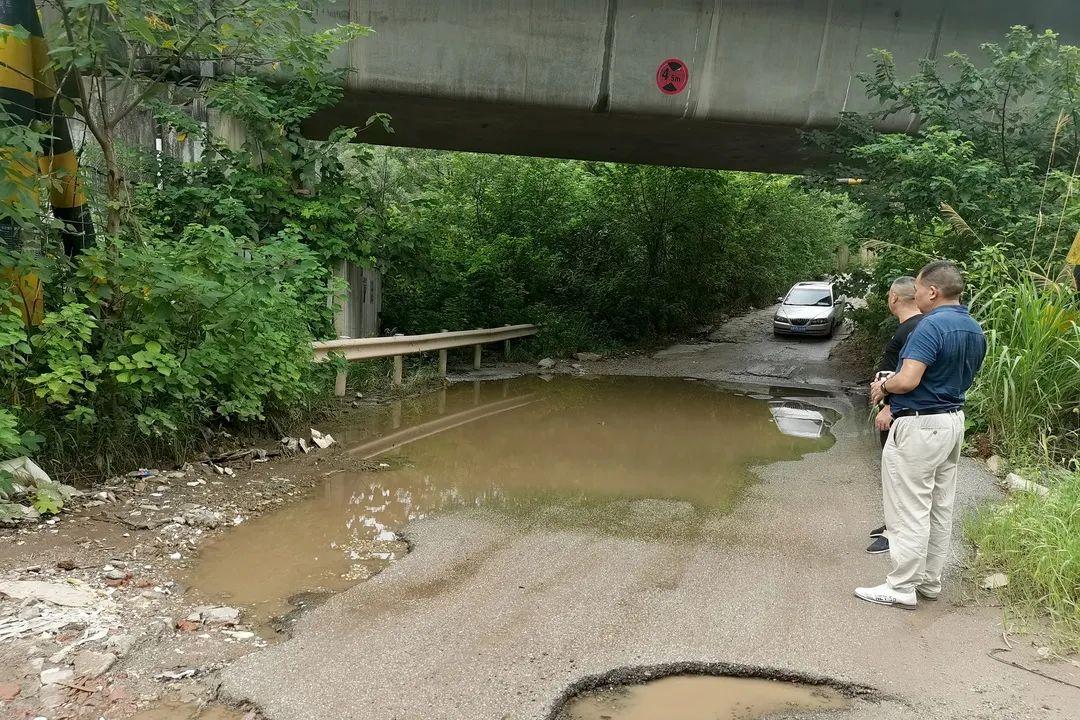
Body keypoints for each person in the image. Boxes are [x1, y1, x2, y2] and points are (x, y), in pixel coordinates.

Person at [856, 261, 986, 609]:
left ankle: (900, 587)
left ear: (932, 291)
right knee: (939, 507)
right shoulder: (974, 328)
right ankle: (929, 583)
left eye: (917, 288)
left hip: (919, 424)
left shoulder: (930, 327)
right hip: (952, 422)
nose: (914, 295)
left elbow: (909, 379)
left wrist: (883, 387)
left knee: (908, 508)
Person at [865, 277, 923, 555]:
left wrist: (890, 407)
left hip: (899, 413)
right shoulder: (911, 327)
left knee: (898, 474)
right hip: (895, 409)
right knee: (892, 473)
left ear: (893, 298)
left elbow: (913, 377)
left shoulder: (914, 329)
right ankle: (892, 523)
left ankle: (894, 534)